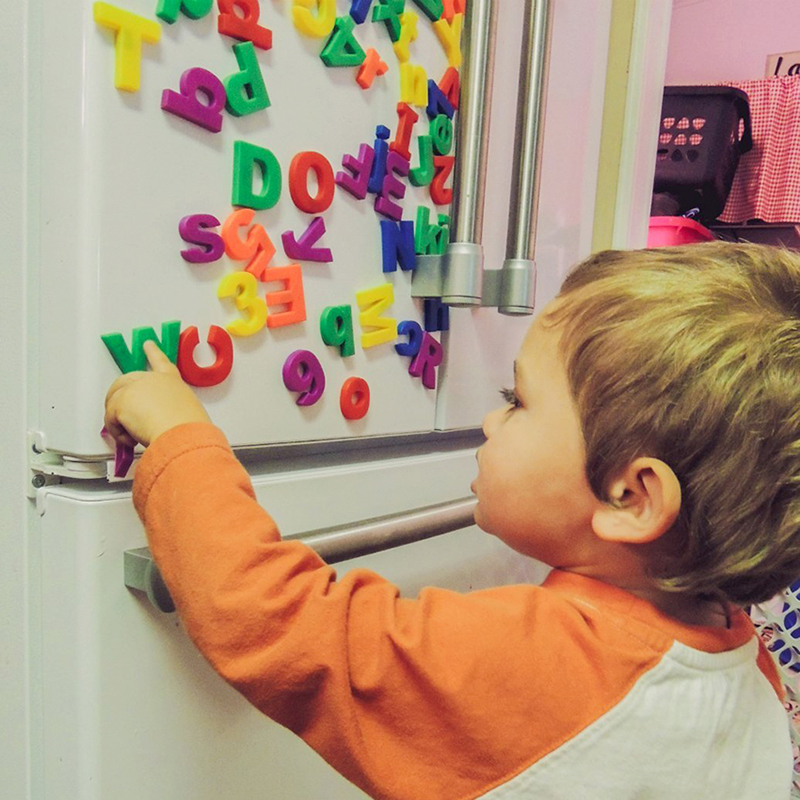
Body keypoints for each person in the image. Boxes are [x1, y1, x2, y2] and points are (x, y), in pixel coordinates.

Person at [105, 242, 799, 799]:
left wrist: (178, 435)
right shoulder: (749, 667)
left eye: (517, 400)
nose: (492, 420)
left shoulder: (542, 667)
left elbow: (276, 619)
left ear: (631, 498)